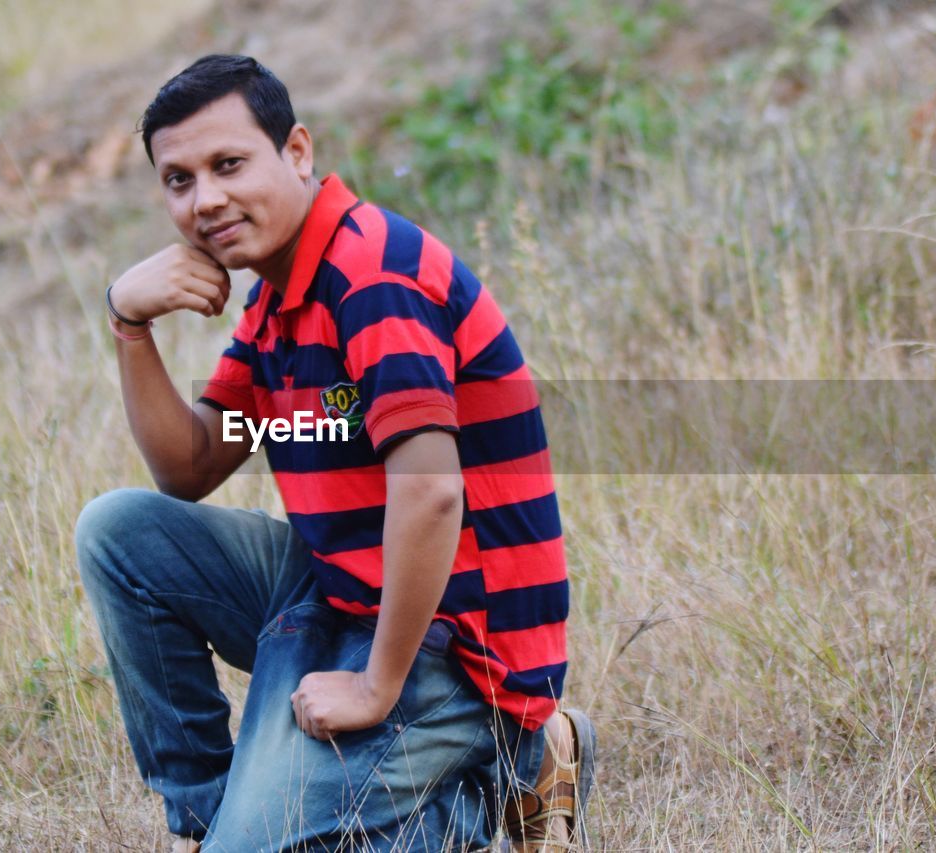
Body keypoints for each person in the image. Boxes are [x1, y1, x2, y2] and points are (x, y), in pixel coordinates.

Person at [75, 54, 596, 851]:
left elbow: (431, 494)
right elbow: (188, 468)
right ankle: (216, 821)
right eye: (179, 180)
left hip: (455, 642)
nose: (205, 198)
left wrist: (374, 685)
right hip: (344, 594)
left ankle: (508, 766)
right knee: (120, 532)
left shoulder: (371, 274)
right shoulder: (279, 296)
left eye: (228, 164)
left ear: (297, 153)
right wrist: (128, 325)